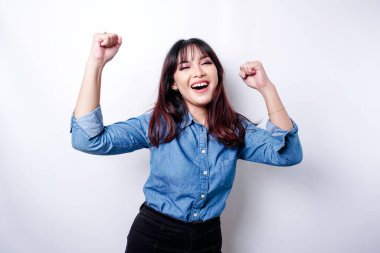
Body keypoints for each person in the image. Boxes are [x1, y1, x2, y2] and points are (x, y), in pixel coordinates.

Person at [70, 32, 303, 253]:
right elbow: (87, 140)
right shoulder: (156, 124)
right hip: (155, 238)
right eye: (185, 67)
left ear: (218, 75)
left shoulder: (234, 129)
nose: (199, 72)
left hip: (207, 240)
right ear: (173, 83)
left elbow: (287, 154)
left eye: (206, 63)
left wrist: (266, 88)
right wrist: (96, 63)